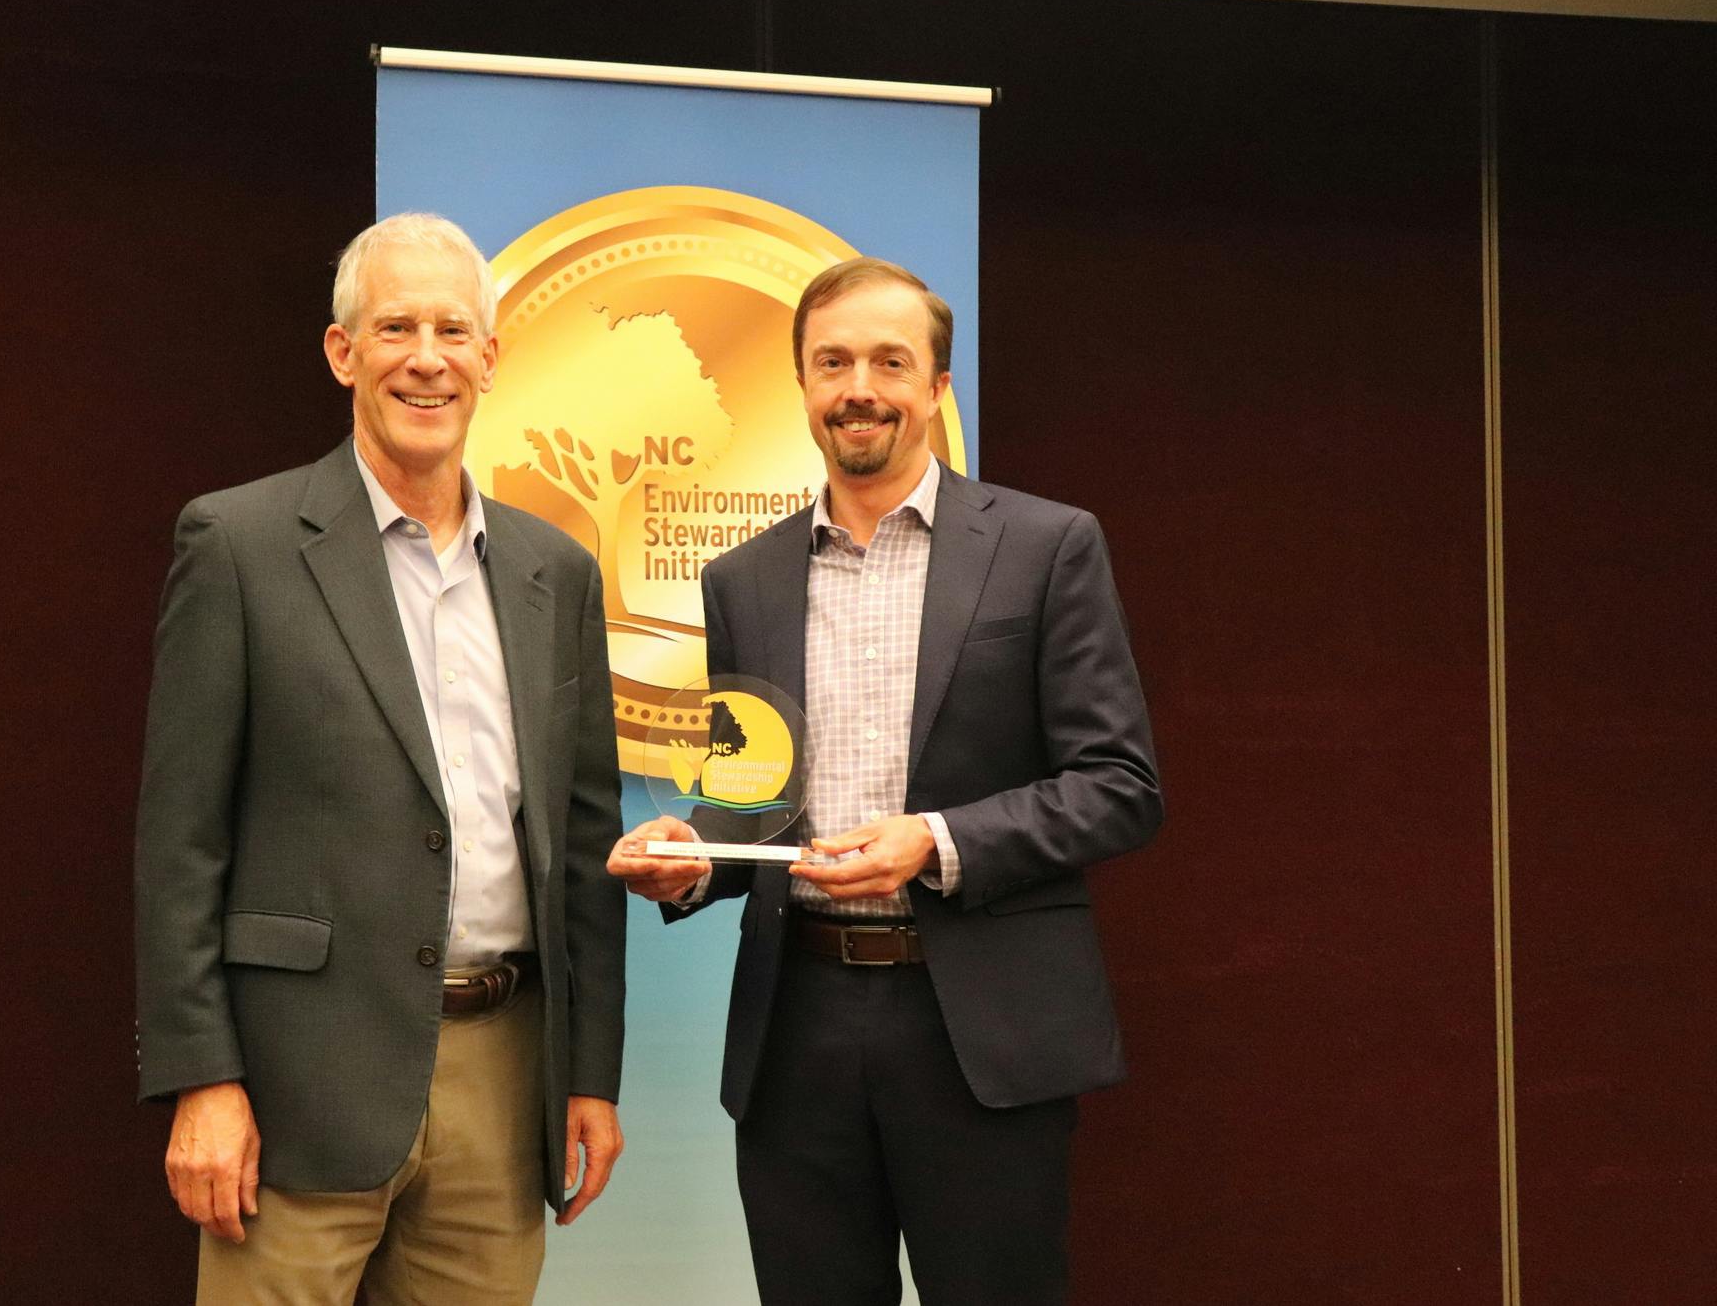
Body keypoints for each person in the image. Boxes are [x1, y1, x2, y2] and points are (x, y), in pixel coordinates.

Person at [609, 257, 1161, 1304]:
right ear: (804, 385)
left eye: (887, 361)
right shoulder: (742, 579)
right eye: (831, 361)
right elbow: (750, 793)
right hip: (797, 1031)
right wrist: (690, 859)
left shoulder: (1046, 549)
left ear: (935, 386)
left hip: (979, 1034)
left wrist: (936, 843)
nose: (857, 385)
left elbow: (1119, 783)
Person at [135, 212, 626, 1305]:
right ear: (341, 352)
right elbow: (181, 843)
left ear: (490, 361)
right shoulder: (240, 545)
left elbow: (583, 848)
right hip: (296, 1081)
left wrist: (588, 1075)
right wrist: (202, 1078)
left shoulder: (558, 573)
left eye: (453, 329)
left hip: (503, 1080)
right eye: (394, 326)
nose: (425, 356)